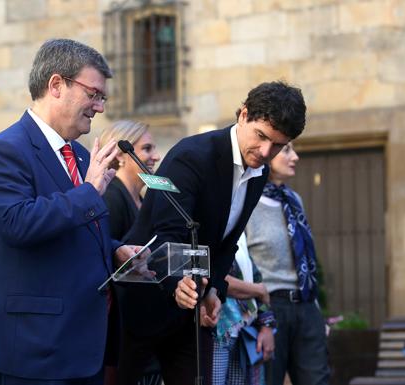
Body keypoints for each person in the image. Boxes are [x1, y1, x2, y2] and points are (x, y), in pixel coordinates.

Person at [0, 39, 139, 385]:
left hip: (81, 347)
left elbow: (80, 231)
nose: (99, 107)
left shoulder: (82, 155)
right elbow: (19, 224)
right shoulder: (6, 150)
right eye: (93, 94)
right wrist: (89, 192)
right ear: (57, 85)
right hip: (31, 348)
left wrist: (115, 250)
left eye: (102, 97)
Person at [118, 81, 307, 385]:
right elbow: (169, 232)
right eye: (261, 137)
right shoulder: (191, 155)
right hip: (145, 302)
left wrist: (215, 290)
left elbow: (227, 242)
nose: (265, 152)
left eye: (278, 146)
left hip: (192, 313)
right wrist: (179, 283)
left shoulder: (258, 173)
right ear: (243, 115)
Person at [246, 143, 330, 385]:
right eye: (286, 150)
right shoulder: (248, 202)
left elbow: (304, 259)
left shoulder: (294, 200)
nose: (295, 157)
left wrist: (316, 313)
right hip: (271, 308)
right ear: (267, 156)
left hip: (306, 307)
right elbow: (243, 265)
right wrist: (264, 318)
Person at [98, 120, 161, 385]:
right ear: (122, 156)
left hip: (142, 326)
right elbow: (103, 255)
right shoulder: (112, 196)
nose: (155, 156)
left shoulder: (145, 198)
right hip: (119, 332)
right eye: (146, 148)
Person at [213, 233, 275, 385]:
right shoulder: (210, 225)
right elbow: (216, 277)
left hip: (244, 332)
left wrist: (267, 325)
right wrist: (258, 290)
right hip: (216, 333)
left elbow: (255, 277)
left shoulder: (239, 232)